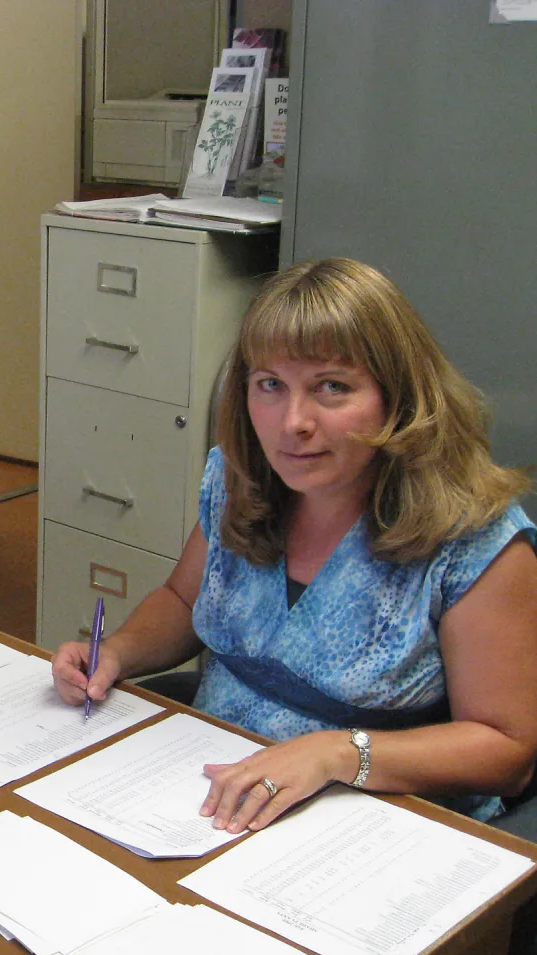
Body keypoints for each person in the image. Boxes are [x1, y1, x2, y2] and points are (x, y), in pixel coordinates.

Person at [53, 257, 537, 828]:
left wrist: (339, 753)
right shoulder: (238, 480)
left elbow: (507, 751)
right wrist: (118, 653)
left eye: (331, 387)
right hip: (202, 789)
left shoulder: (477, 542)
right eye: (270, 386)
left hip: (376, 818)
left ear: (398, 398)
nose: (292, 422)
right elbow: (185, 602)